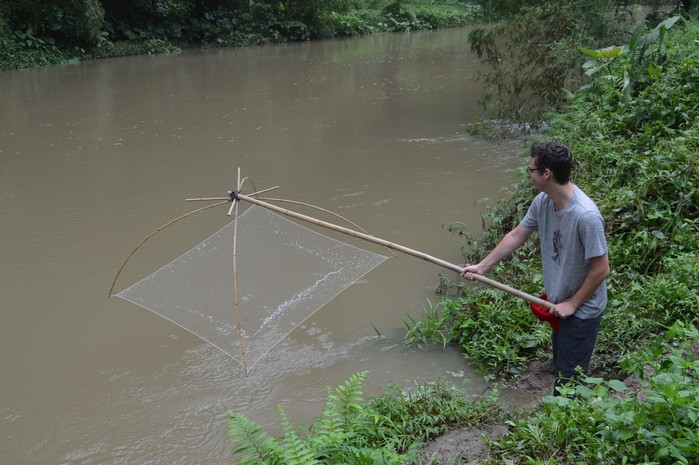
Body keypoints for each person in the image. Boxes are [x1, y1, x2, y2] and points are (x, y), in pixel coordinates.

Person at [461, 141, 610, 395]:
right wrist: (482, 267)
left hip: (581, 309)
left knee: (569, 384)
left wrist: (573, 304)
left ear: (546, 173)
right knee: (562, 368)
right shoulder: (543, 201)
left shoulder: (586, 216)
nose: (528, 174)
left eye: (531, 170)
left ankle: (566, 425)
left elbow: (601, 270)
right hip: (559, 303)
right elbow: (517, 235)